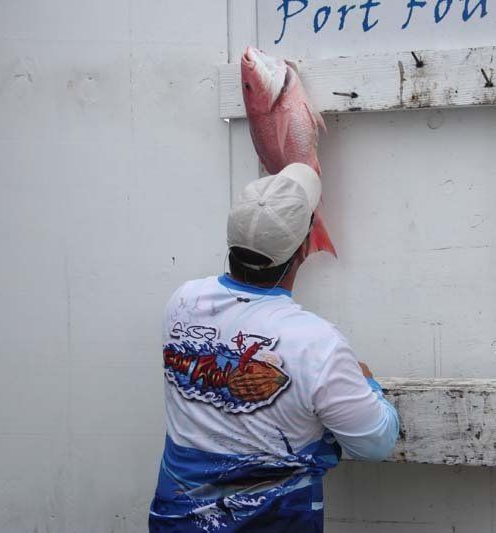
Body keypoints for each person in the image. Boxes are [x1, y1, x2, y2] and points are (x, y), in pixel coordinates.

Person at [148, 163, 399, 532]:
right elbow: (376, 443)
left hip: (175, 521)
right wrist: (367, 385)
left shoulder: (183, 301)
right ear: (304, 247)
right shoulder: (316, 345)